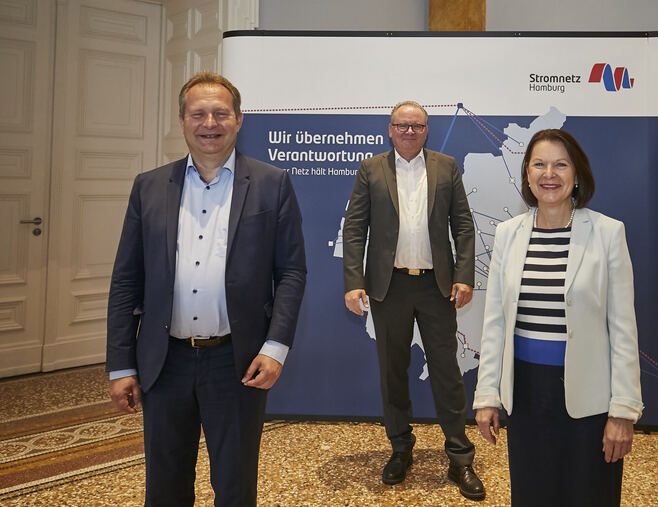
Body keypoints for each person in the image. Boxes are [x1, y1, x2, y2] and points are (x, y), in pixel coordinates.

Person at [106, 71, 307, 506]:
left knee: (235, 486)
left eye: (220, 113)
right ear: (182, 121)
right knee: (165, 487)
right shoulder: (148, 186)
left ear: (239, 119)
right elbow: (126, 280)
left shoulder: (272, 183)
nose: (209, 123)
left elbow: (291, 271)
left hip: (237, 362)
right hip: (164, 362)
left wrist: (275, 348)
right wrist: (121, 365)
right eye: (198, 114)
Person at [473, 129, 643, 506]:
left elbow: (623, 329)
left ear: (577, 174)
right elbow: (495, 323)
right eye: (539, 164)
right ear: (527, 174)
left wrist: (623, 411)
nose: (549, 174)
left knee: (588, 494)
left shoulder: (607, 233)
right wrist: (487, 396)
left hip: (590, 399)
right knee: (533, 494)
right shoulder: (508, 234)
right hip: (527, 396)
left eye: (560, 165)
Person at [343, 101, 485, 501]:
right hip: (388, 288)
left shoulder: (446, 167)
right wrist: (354, 282)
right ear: (390, 129)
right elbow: (354, 228)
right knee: (393, 373)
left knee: (447, 373)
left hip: (436, 288)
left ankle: (460, 457)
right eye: (402, 125)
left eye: (417, 125)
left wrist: (464, 276)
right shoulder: (371, 169)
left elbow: (463, 226)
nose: (409, 131)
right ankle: (400, 449)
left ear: (426, 130)